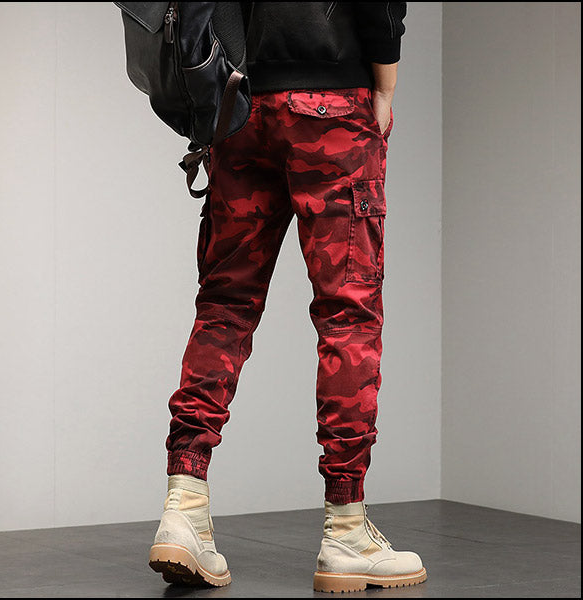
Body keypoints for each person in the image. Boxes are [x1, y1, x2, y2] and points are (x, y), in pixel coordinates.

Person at [148, 1, 426, 593]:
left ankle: (184, 507)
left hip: (239, 106)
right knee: (348, 316)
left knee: (224, 306)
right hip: (332, 106)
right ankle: (346, 530)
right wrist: (385, 84)